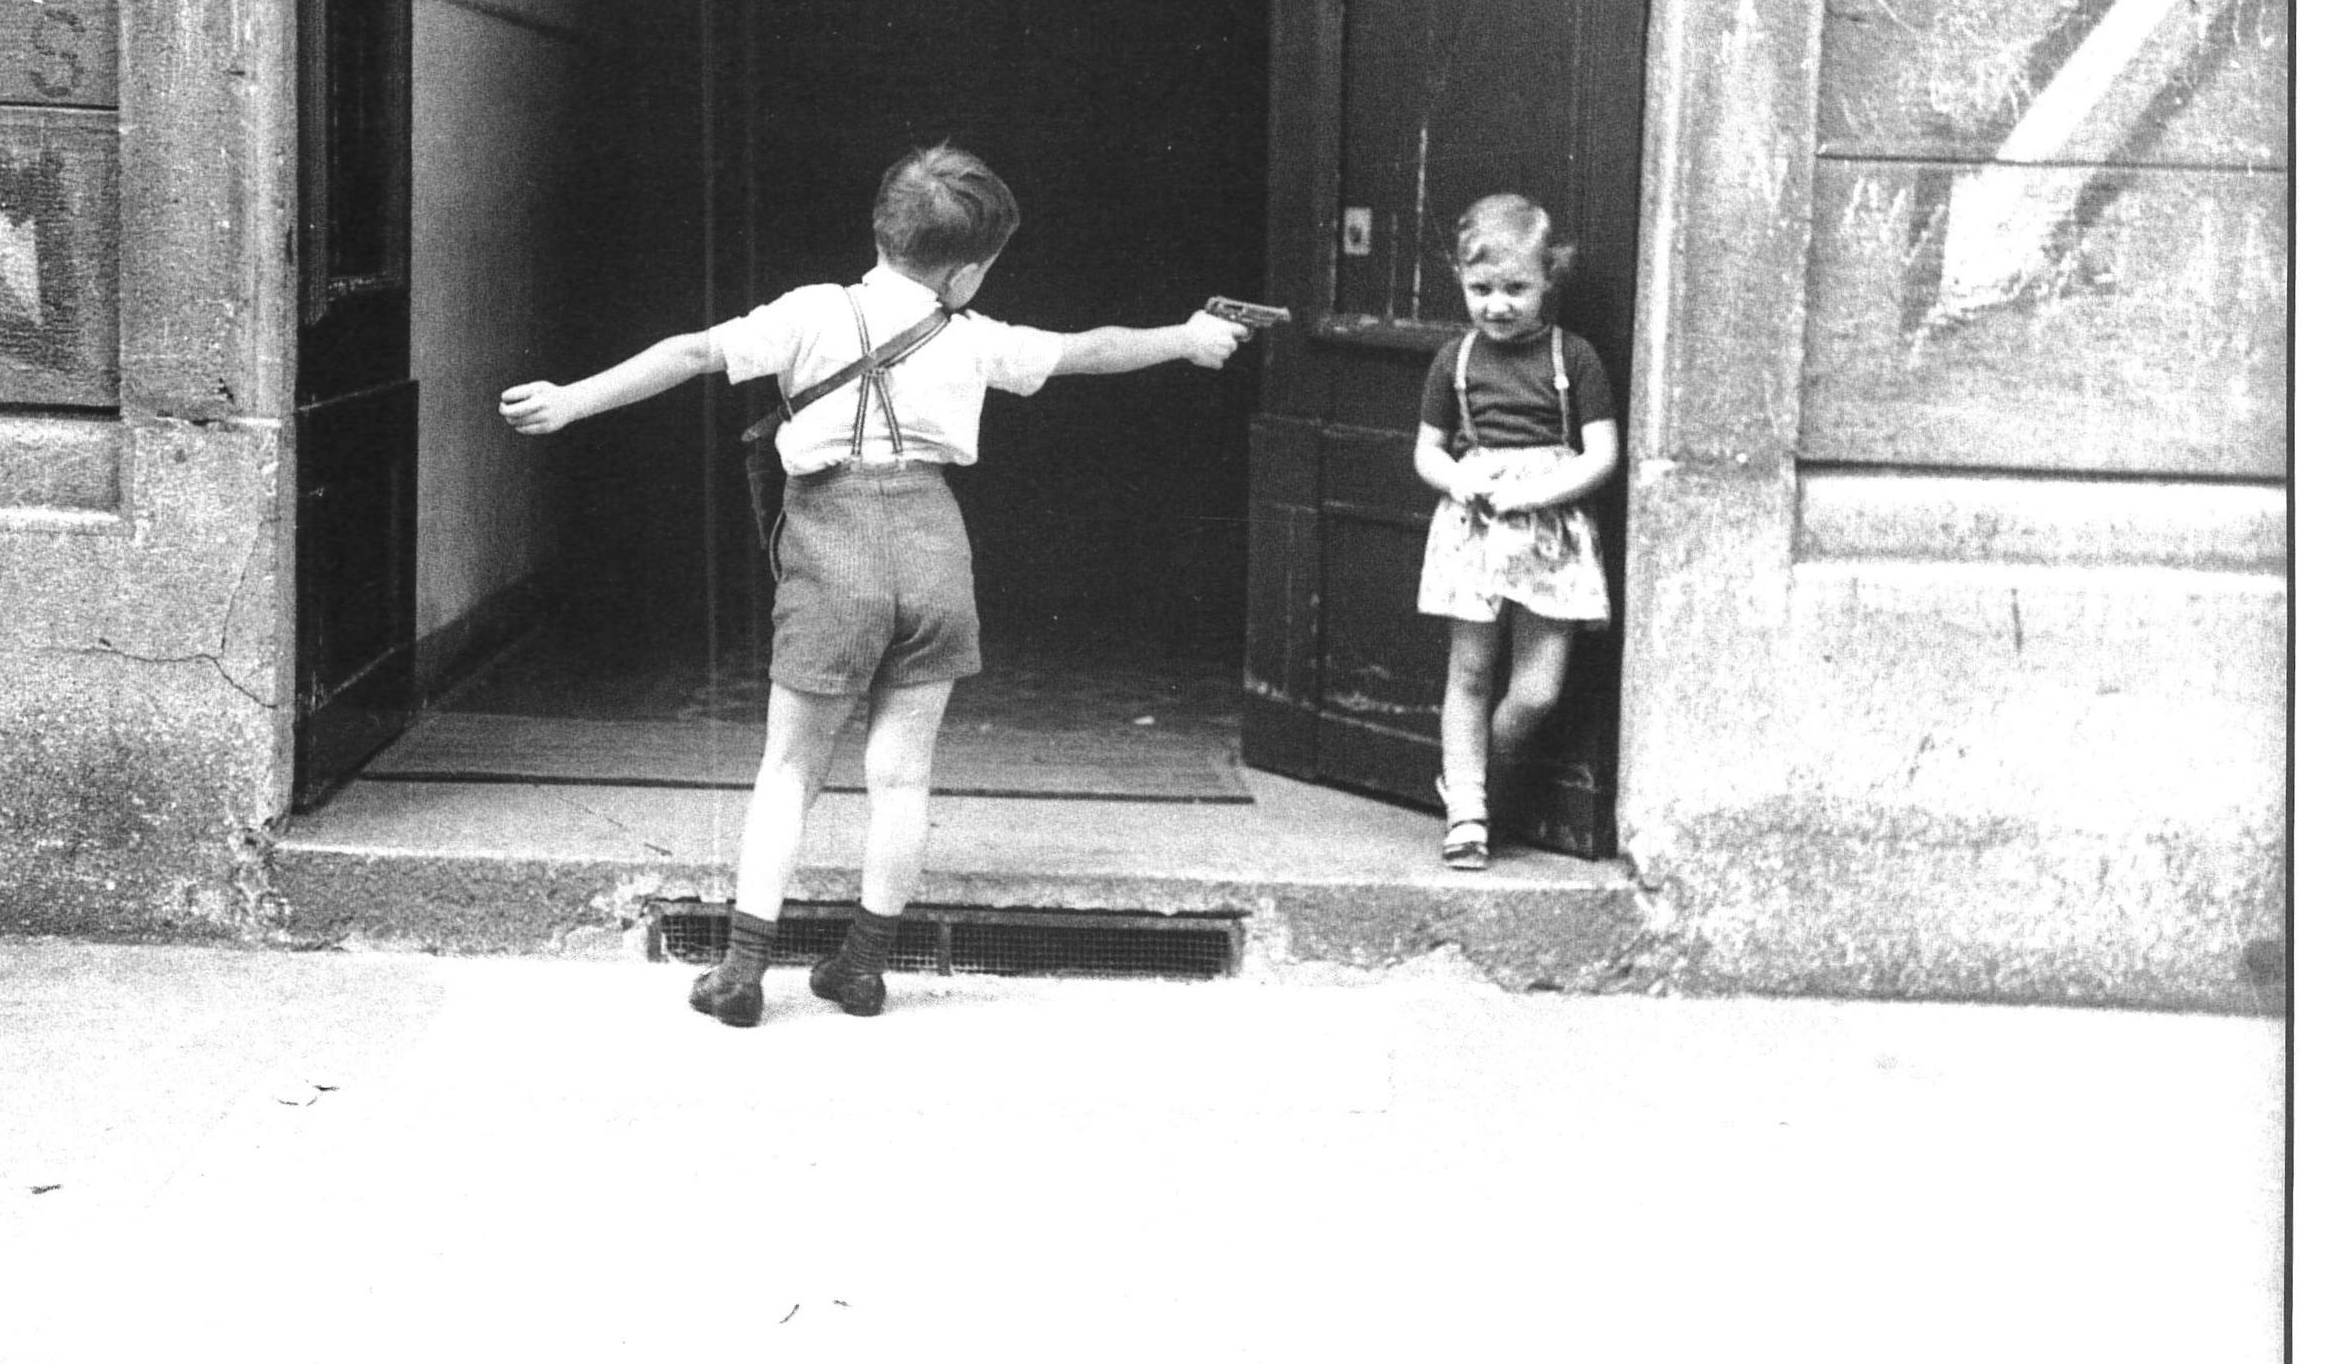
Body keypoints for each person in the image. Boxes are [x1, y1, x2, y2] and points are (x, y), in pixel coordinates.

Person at [499, 144, 1249, 1025]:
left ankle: (742, 973)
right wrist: (1189, 340)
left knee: (789, 768)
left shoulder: (814, 311)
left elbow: (691, 352)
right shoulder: (975, 337)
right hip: (935, 551)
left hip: (834, 552)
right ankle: (861, 966)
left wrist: (574, 399)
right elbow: (1092, 348)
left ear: (880, 228)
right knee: (902, 777)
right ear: (967, 274)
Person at [1411, 195, 1619, 870]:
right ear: (1462, 284)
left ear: (1547, 280)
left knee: (1536, 692)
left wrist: (1540, 490)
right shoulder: (1455, 359)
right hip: (1477, 527)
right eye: (1481, 289)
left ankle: (1480, 773)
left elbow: (1601, 455)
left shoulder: (1574, 357)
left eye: (1515, 288)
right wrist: (1456, 479)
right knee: (1469, 671)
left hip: (1550, 531)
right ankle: (1467, 809)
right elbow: (1427, 451)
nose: (1497, 304)